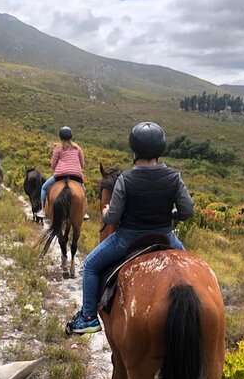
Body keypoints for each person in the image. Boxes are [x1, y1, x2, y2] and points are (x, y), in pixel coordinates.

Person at [67, 121, 193, 334]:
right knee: (188, 271)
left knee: (90, 264)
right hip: (165, 236)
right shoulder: (174, 177)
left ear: (134, 150)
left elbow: (114, 216)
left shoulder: (126, 179)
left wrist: (106, 212)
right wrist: (172, 214)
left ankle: (88, 317)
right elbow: (187, 211)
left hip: (127, 239)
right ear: (160, 150)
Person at [36, 126, 90, 220]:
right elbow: (82, 164)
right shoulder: (78, 148)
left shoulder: (58, 148)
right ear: (71, 136)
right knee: (83, 191)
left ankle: (43, 210)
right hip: (76, 176)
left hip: (60, 175)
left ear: (60, 137)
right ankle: (84, 212)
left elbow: (53, 165)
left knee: (44, 187)